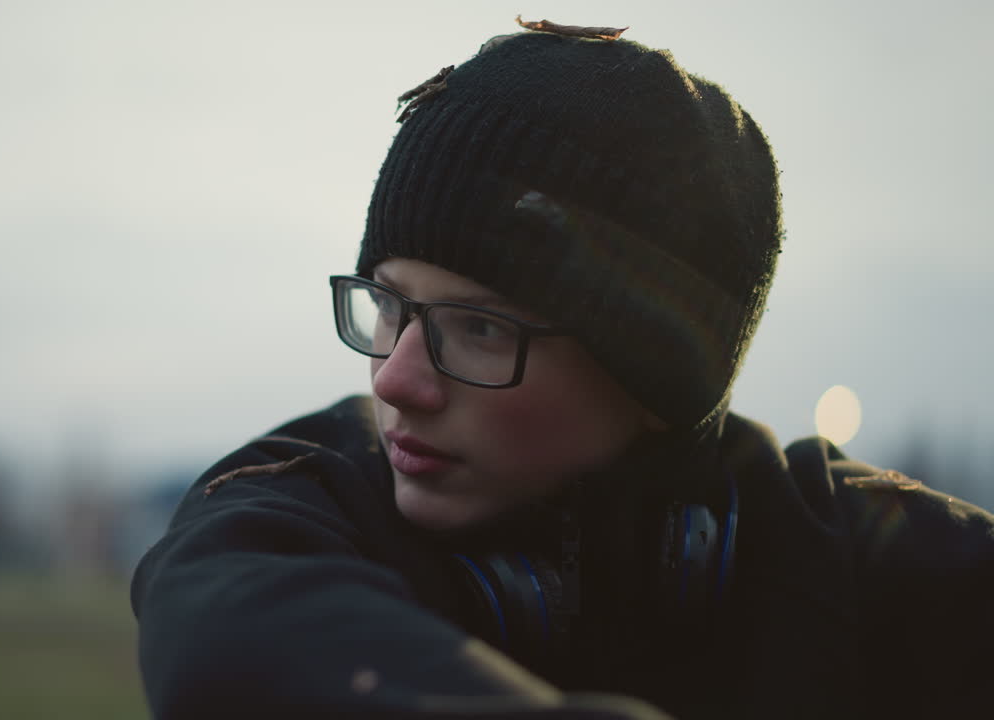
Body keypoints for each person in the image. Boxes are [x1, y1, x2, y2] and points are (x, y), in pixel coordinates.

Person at [130, 19, 994, 720]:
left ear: (655, 379)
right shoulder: (291, 510)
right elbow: (227, 636)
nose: (394, 381)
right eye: (388, 306)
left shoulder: (859, 556)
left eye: (478, 327)